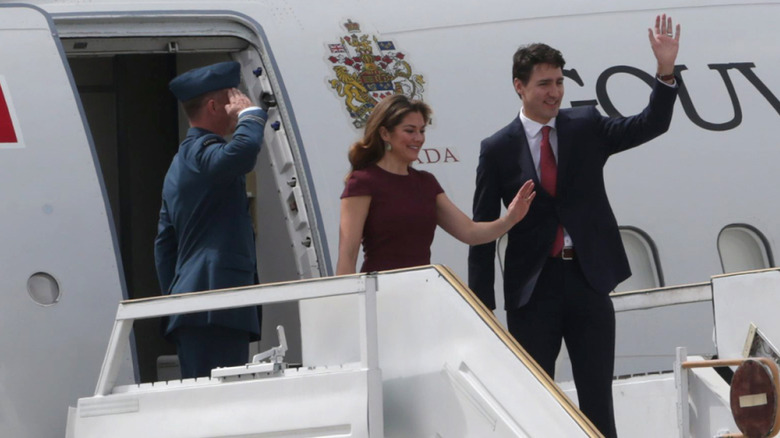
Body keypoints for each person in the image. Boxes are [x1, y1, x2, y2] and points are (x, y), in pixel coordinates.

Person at [468, 15, 681, 437]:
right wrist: (482, 306)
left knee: (597, 399)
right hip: (533, 290)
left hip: (587, 279)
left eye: (559, 82)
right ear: (520, 86)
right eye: (545, 83)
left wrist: (665, 72)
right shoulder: (496, 149)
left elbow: (649, 124)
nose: (555, 92)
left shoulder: (584, 125)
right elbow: (484, 229)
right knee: (535, 400)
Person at [154, 61, 268, 379]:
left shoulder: (181, 161)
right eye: (234, 98)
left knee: (205, 402)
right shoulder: (203, 152)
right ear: (215, 105)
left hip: (195, 305)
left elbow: (165, 246)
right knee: (221, 404)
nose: (240, 103)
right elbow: (243, 152)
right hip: (216, 305)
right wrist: (250, 115)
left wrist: (178, 296)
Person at [336, 94, 535, 275]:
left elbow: (470, 232)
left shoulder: (426, 183)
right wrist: (346, 306)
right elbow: (348, 254)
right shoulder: (363, 182)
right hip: (379, 294)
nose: (419, 138)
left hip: (423, 291)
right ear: (385, 133)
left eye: (421, 130)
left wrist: (510, 219)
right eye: (410, 130)